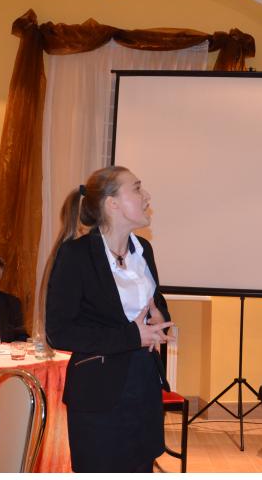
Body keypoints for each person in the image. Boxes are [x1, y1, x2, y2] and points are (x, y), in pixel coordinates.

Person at [44, 166, 173, 473]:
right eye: (137, 189)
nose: (147, 196)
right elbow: (59, 332)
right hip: (99, 395)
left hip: (143, 386)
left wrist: (160, 317)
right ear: (112, 203)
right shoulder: (76, 255)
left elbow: (154, 305)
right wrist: (132, 337)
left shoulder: (144, 251)